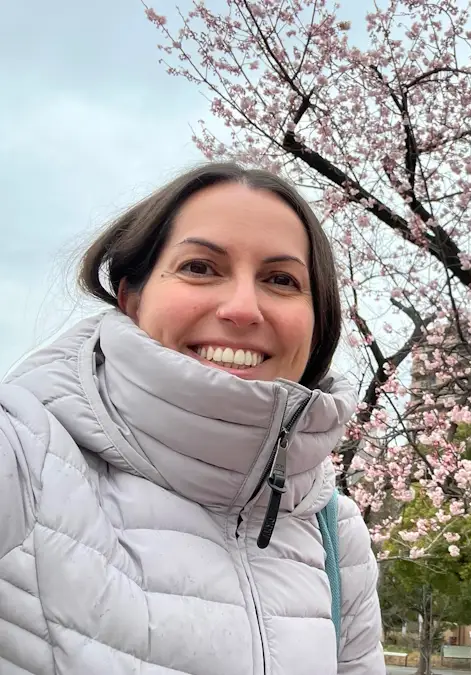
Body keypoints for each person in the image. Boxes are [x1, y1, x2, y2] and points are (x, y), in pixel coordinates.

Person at [0, 163, 386, 674]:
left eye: (281, 279)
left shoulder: (334, 532)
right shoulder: (22, 455)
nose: (243, 308)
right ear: (130, 297)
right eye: (200, 268)